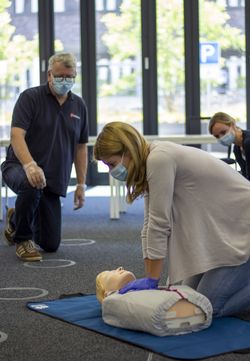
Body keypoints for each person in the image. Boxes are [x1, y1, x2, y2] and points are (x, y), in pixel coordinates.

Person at [93, 121, 250, 319]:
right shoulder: (151, 160)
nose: (111, 172)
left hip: (243, 228)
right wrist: (149, 278)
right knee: (187, 298)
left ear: (128, 150)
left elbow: (159, 224)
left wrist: (152, 278)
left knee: (203, 309)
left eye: (112, 164)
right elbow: (149, 225)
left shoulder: (159, 159)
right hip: (228, 231)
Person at [1, 52, 88, 262]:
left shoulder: (79, 105)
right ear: (49, 75)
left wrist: (81, 184)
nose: (64, 81)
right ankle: (22, 240)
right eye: (60, 76)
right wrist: (30, 165)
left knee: (50, 244)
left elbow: (81, 147)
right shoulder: (30, 98)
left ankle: (16, 219)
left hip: (51, 180)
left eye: (70, 77)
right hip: (19, 167)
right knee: (32, 184)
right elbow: (16, 135)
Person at [96, 267, 212, 336]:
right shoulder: (112, 301)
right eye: (110, 272)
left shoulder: (142, 290)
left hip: (187, 307)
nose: (119, 268)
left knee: (203, 295)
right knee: (211, 302)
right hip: (176, 312)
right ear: (106, 292)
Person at [209, 112, 250, 180]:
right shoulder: (237, 149)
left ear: (233, 125)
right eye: (217, 136)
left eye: (223, 132)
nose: (221, 137)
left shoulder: (248, 142)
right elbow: (245, 176)